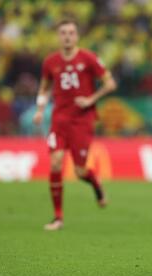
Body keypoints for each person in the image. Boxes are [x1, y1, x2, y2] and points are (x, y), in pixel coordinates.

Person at [33, 19, 117, 231]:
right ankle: (58, 217)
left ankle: (96, 184)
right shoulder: (50, 62)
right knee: (55, 162)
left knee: (80, 171)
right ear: (58, 36)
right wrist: (40, 109)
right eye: (63, 33)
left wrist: (91, 99)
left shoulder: (88, 58)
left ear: (77, 36)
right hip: (59, 119)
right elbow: (44, 88)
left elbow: (110, 83)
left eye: (71, 32)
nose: (67, 36)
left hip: (82, 121)